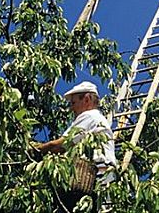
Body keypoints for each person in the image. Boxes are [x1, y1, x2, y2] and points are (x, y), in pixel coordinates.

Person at [35, 81, 116, 212]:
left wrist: (37, 149)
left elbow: (62, 145)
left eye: (73, 103)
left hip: (99, 176)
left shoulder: (89, 116)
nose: (71, 108)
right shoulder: (99, 119)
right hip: (105, 177)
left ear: (87, 99)